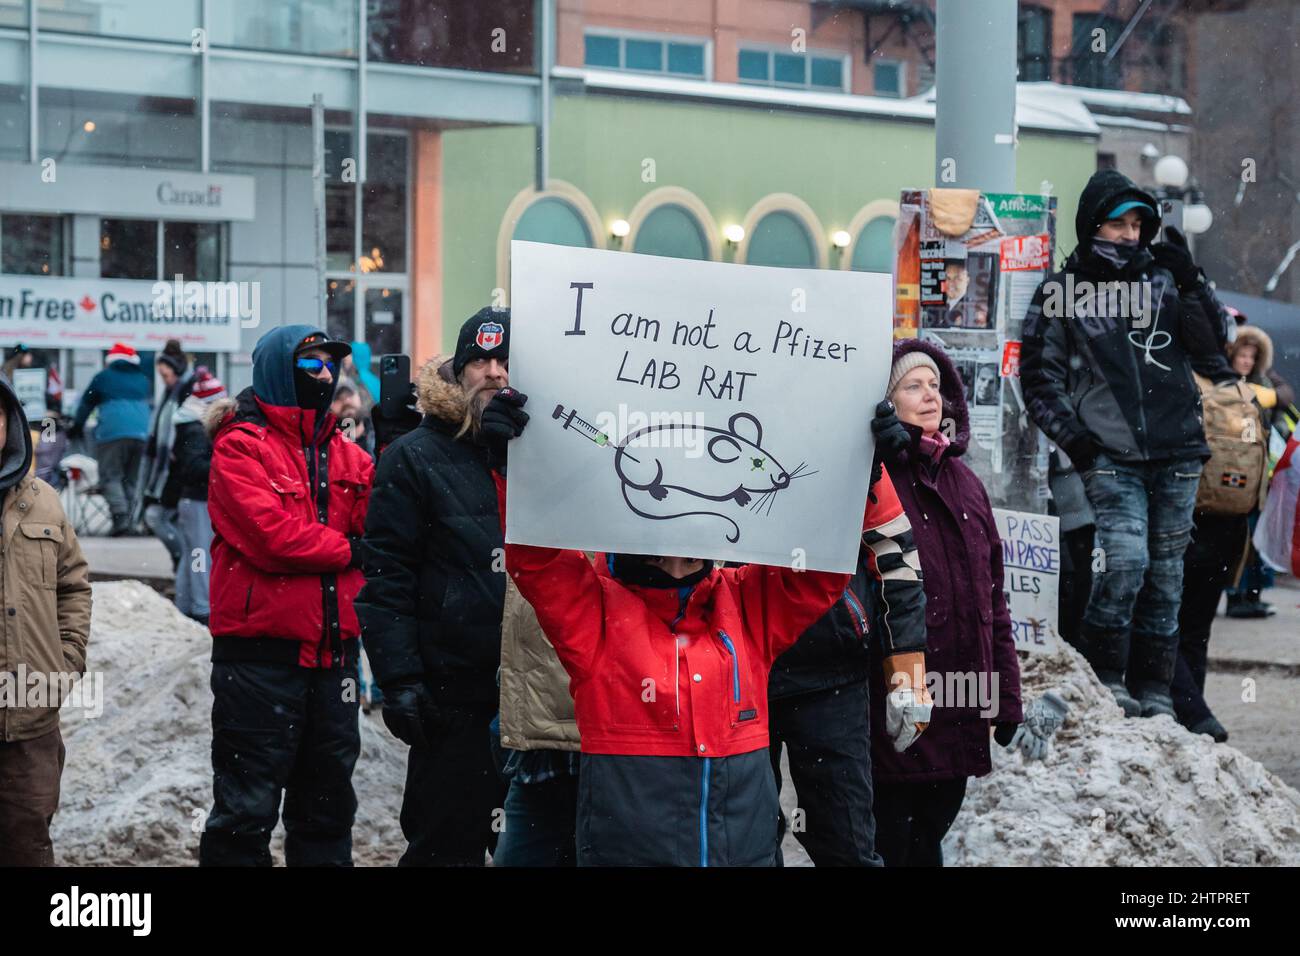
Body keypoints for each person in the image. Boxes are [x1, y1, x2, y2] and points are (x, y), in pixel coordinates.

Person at [485, 388, 933, 867]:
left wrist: (857, 474)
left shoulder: (743, 605)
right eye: (658, 551)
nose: (678, 563)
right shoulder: (595, 617)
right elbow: (537, 558)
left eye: (693, 548)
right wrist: (515, 468)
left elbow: (822, 568)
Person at [1021, 170, 1235, 719]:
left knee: (1167, 579)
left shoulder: (1165, 278)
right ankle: (1105, 677)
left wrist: (1194, 282)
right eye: (1119, 222)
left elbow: (1216, 352)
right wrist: (1081, 444)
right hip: (1111, 456)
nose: (1131, 233)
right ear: (1094, 223)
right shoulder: (1062, 293)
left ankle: (1157, 690)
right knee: (1125, 564)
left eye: (1138, 222)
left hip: (1179, 450)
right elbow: (1039, 380)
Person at [199, 326, 373, 867]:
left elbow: (390, 519)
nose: (325, 376)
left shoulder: (346, 454)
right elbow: (270, 537)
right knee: (244, 814)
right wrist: (351, 549)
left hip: (333, 660)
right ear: (281, 371)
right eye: (311, 365)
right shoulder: (240, 446)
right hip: (258, 662)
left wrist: (404, 438)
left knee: (327, 812)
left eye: (330, 366)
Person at [356, 307, 514, 867]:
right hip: (455, 696)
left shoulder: (547, 452)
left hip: (543, 697)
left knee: (542, 850)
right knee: (445, 847)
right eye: (481, 360)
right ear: (459, 369)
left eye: (505, 361)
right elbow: (386, 576)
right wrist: (399, 679)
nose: (494, 373)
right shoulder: (414, 456)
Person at [868, 341, 1027, 867]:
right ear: (886, 402)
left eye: (935, 385)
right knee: (897, 841)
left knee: (930, 829)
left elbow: (994, 602)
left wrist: (1004, 697)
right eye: (912, 386)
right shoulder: (873, 478)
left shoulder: (966, 484)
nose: (929, 394)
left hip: (962, 698)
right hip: (899, 698)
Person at [765, 462, 927, 866]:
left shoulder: (845, 417)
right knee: (741, 847)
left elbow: (894, 551)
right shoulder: (699, 412)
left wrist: (908, 675)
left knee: (847, 846)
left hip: (830, 672)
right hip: (732, 669)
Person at [0, 375, 93, 866]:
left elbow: (73, 586)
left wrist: (67, 660)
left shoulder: (43, 501)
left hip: (30, 720)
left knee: (27, 846)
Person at [1223, 325, 1295, 618]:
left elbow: (1285, 396)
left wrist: (1269, 399)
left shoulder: (1264, 383)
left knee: (1259, 533)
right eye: (1242, 355)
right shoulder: (1223, 382)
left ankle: (1253, 594)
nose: (1247, 362)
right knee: (1237, 536)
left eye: (1252, 357)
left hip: (1260, 469)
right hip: (1231, 468)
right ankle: (1235, 596)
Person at [69, 342, 152, 537]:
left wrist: (76, 427)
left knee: (110, 476)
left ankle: (121, 519)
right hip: (142, 433)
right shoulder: (142, 379)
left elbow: (86, 404)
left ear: (110, 361)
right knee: (131, 479)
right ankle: (132, 521)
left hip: (113, 432)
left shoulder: (103, 377)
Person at [169, 367, 225, 626]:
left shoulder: (188, 424)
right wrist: (223, 463)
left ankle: (184, 605)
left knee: (193, 554)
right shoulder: (194, 428)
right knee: (201, 554)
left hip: (192, 499)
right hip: (198, 499)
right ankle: (202, 608)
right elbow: (192, 468)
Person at [136, 339, 193, 570]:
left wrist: (179, 455)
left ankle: (184, 562)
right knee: (163, 518)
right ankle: (184, 565)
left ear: (177, 371)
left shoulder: (187, 393)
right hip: (168, 470)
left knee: (156, 517)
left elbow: (186, 435)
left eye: (166, 375)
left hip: (177, 470)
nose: (164, 380)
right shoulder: (170, 395)